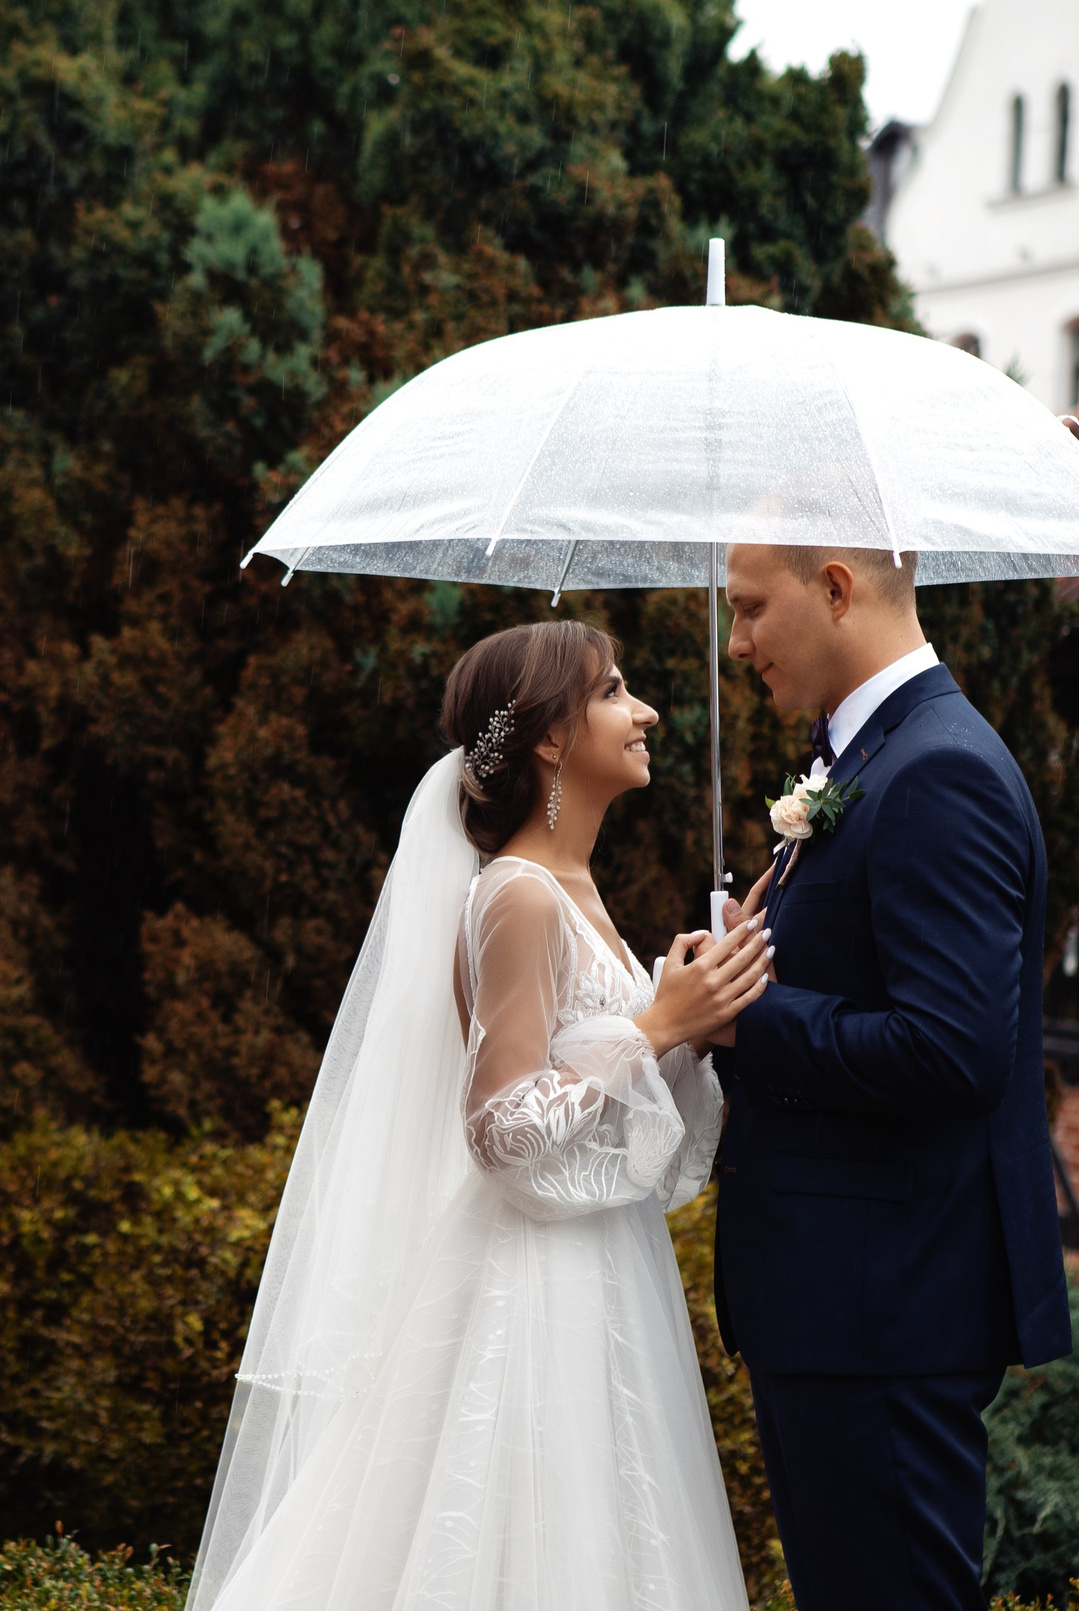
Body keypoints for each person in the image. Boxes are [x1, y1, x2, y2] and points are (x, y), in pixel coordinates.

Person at [189, 619, 769, 1611]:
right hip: (531, 1287)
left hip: (603, 1266)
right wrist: (650, 1030)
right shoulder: (520, 895)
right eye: (614, 692)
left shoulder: (577, 889)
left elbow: (609, 1110)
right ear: (548, 738)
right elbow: (499, 1130)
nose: (646, 713)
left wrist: (687, 1017)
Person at [711, 544, 1072, 1611]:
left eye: (749, 609)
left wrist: (743, 1015)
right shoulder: (876, 757)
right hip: (845, 1301)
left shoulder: (937, 770)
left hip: (883, 1305)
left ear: (835, 587)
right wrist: (755, 954)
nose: (735, 643)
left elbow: (953, 1051)